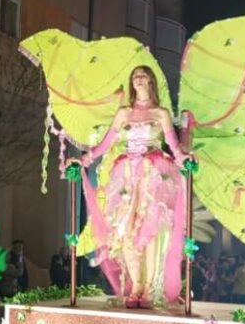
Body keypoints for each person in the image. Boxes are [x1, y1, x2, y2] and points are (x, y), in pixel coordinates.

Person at [71, 66, 190, 309]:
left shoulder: (161, 114)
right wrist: (85, 159)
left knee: (150, 231)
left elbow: (173, 147)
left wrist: (185, 159)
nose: (138, 78)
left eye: (143, 75)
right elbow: (105, 144)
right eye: (135, 75)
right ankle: (136, 286)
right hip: (126, 176)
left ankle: (149, 287)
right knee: (125, 232)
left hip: (152, 174)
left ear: (151, 82)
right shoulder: (123, 113)